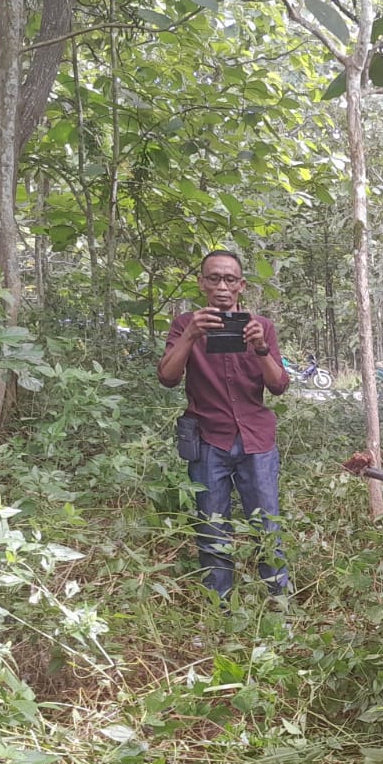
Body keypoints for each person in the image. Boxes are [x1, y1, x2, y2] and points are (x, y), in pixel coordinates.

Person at [158, 250, 290, 601]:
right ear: (201, 283)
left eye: (230, 279)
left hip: (256, 440)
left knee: (267, 525)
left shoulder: (262, 326)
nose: (221, 287)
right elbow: (167, 378)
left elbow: (279, 385)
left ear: (241, 285)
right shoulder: (185, 324)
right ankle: (219, 605)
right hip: (208, 440)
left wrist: (260, 347)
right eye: (214, 278)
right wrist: (190, 335)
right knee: (212, 527)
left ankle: (278, 601)